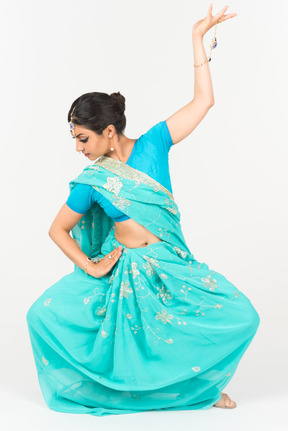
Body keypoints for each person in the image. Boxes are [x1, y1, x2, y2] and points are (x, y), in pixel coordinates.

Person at [26, 5, 259, 416]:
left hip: (170, 264)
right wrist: (93, 266)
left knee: (242, 316)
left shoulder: (154, 144)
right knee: (40, 317)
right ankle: (183, 397)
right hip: (126, 272)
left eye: (83, 138)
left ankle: (198, 391)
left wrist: (196, 38)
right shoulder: (92, 182)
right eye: (76, 140)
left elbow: (204, 101)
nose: (78, 149)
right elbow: (57, 229)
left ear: (109, 131)